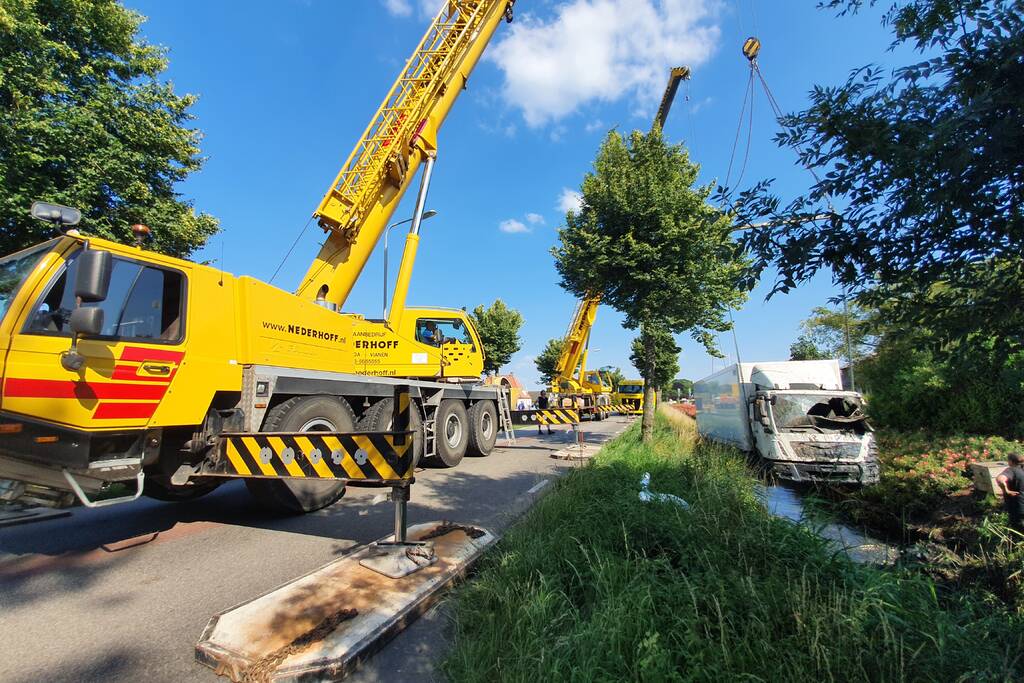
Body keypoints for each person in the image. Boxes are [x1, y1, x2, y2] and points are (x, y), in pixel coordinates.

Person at [996, 453, 1024, 533]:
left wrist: (1006, 490)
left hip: (1018, 510)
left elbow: (1000, 479)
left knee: (1018, 533)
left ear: (1011, 461)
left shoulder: (1011, 470)